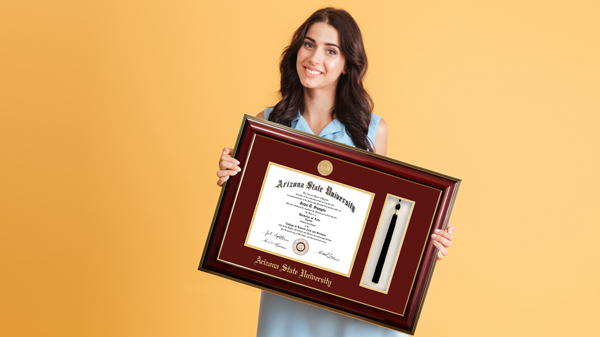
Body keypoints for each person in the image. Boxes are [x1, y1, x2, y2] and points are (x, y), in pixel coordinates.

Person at [216, 7, 455, 336]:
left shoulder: (372, 130)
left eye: (331, 51)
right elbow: (251, 213)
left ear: (347, 65)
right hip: (287, 286)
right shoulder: (268, 122)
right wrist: (233, 180)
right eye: (309, 44)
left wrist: (425, 238)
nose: (315, 58)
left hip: (348, 297)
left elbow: (381, 218)